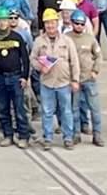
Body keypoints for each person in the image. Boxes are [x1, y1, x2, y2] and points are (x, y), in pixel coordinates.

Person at [33, 8, 81, 150]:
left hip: (64, 83)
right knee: (47, 112)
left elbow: (74, 61)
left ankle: (68, 138)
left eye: (52, 23)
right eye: (47, 23)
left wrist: (75, 80)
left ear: (57, 23)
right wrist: (40, 67)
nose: (50, 26)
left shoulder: (67, 41)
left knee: (66, 111)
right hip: (47, 82)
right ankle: (47, 138)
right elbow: (32, 59)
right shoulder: (39, 41)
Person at [0, 8, 32, 148]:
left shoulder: (17, 37)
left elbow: (25, 58)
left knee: (19, 109)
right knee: (2, 109)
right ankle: (8, 135)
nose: (2, 23)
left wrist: (24, 76)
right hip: (0, 78)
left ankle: (23, 136)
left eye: (5, 20)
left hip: (16, 77)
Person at [68, 9, 104, 146]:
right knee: (74, 109)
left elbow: (98, 56)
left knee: (95, 109)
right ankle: (76, 134)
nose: (79, 26)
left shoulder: (90, 39)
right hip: (74, 80)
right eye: (76, 23)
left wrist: (95, 71)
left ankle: (97, 135)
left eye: (81, 24)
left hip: (89, 79)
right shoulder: (67, 38)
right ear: (72, 23)